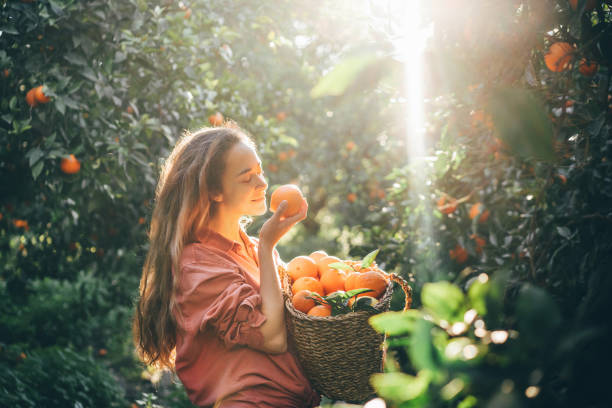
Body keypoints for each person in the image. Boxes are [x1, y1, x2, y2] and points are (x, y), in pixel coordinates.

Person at [132, 123, 320, 407]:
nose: (262, 184)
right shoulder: (196, 268)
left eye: (260, 171)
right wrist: (269, 245)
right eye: (247, 178)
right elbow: (272, 338)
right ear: (214, 191)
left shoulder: (254, 248)